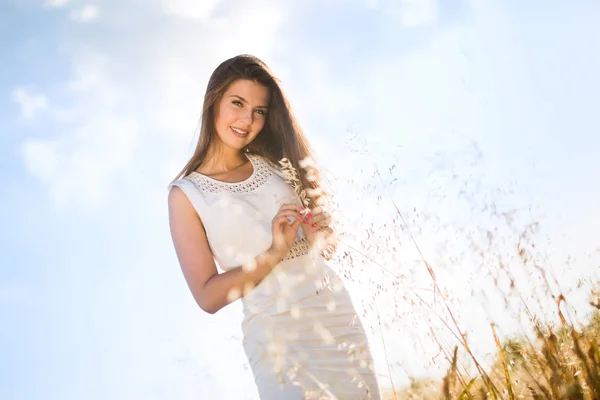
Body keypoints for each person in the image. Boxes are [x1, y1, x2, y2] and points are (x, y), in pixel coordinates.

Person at [167, 54, 381, 399]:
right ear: (214, 101)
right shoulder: (187, 195)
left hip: (333, 314)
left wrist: (318, 236)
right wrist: (273, 252)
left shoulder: (277, 164)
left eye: (259, 111)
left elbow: (323, 249)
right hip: (274, 330)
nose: (246, 119)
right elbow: (207, 296)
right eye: (237, 103)